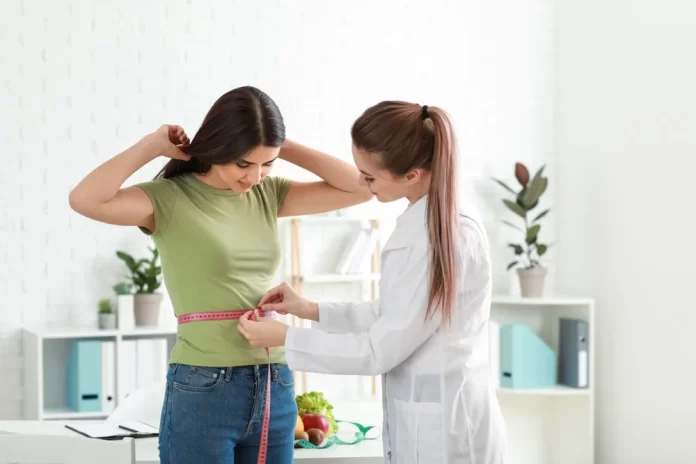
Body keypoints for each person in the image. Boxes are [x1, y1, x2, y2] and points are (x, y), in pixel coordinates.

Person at [68, 85, 373, 464]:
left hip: (274, 381)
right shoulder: (168, 198)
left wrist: (280, 145)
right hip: (204, 385)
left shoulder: (268, 194)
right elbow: (85, 199)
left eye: (267, 164)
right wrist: (151, 146)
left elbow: (362, 188)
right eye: (243, 163)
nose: (255, 177)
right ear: (218, 147)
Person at [237, 101, 507, 463]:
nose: (362, 184)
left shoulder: (447, 234)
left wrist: (287, 339)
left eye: (370, 177)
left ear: (412, 175)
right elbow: (393, 314)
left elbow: (378, 351)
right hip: (425, 419)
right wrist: (309, 308)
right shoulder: (422, 221)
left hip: (449, 432)